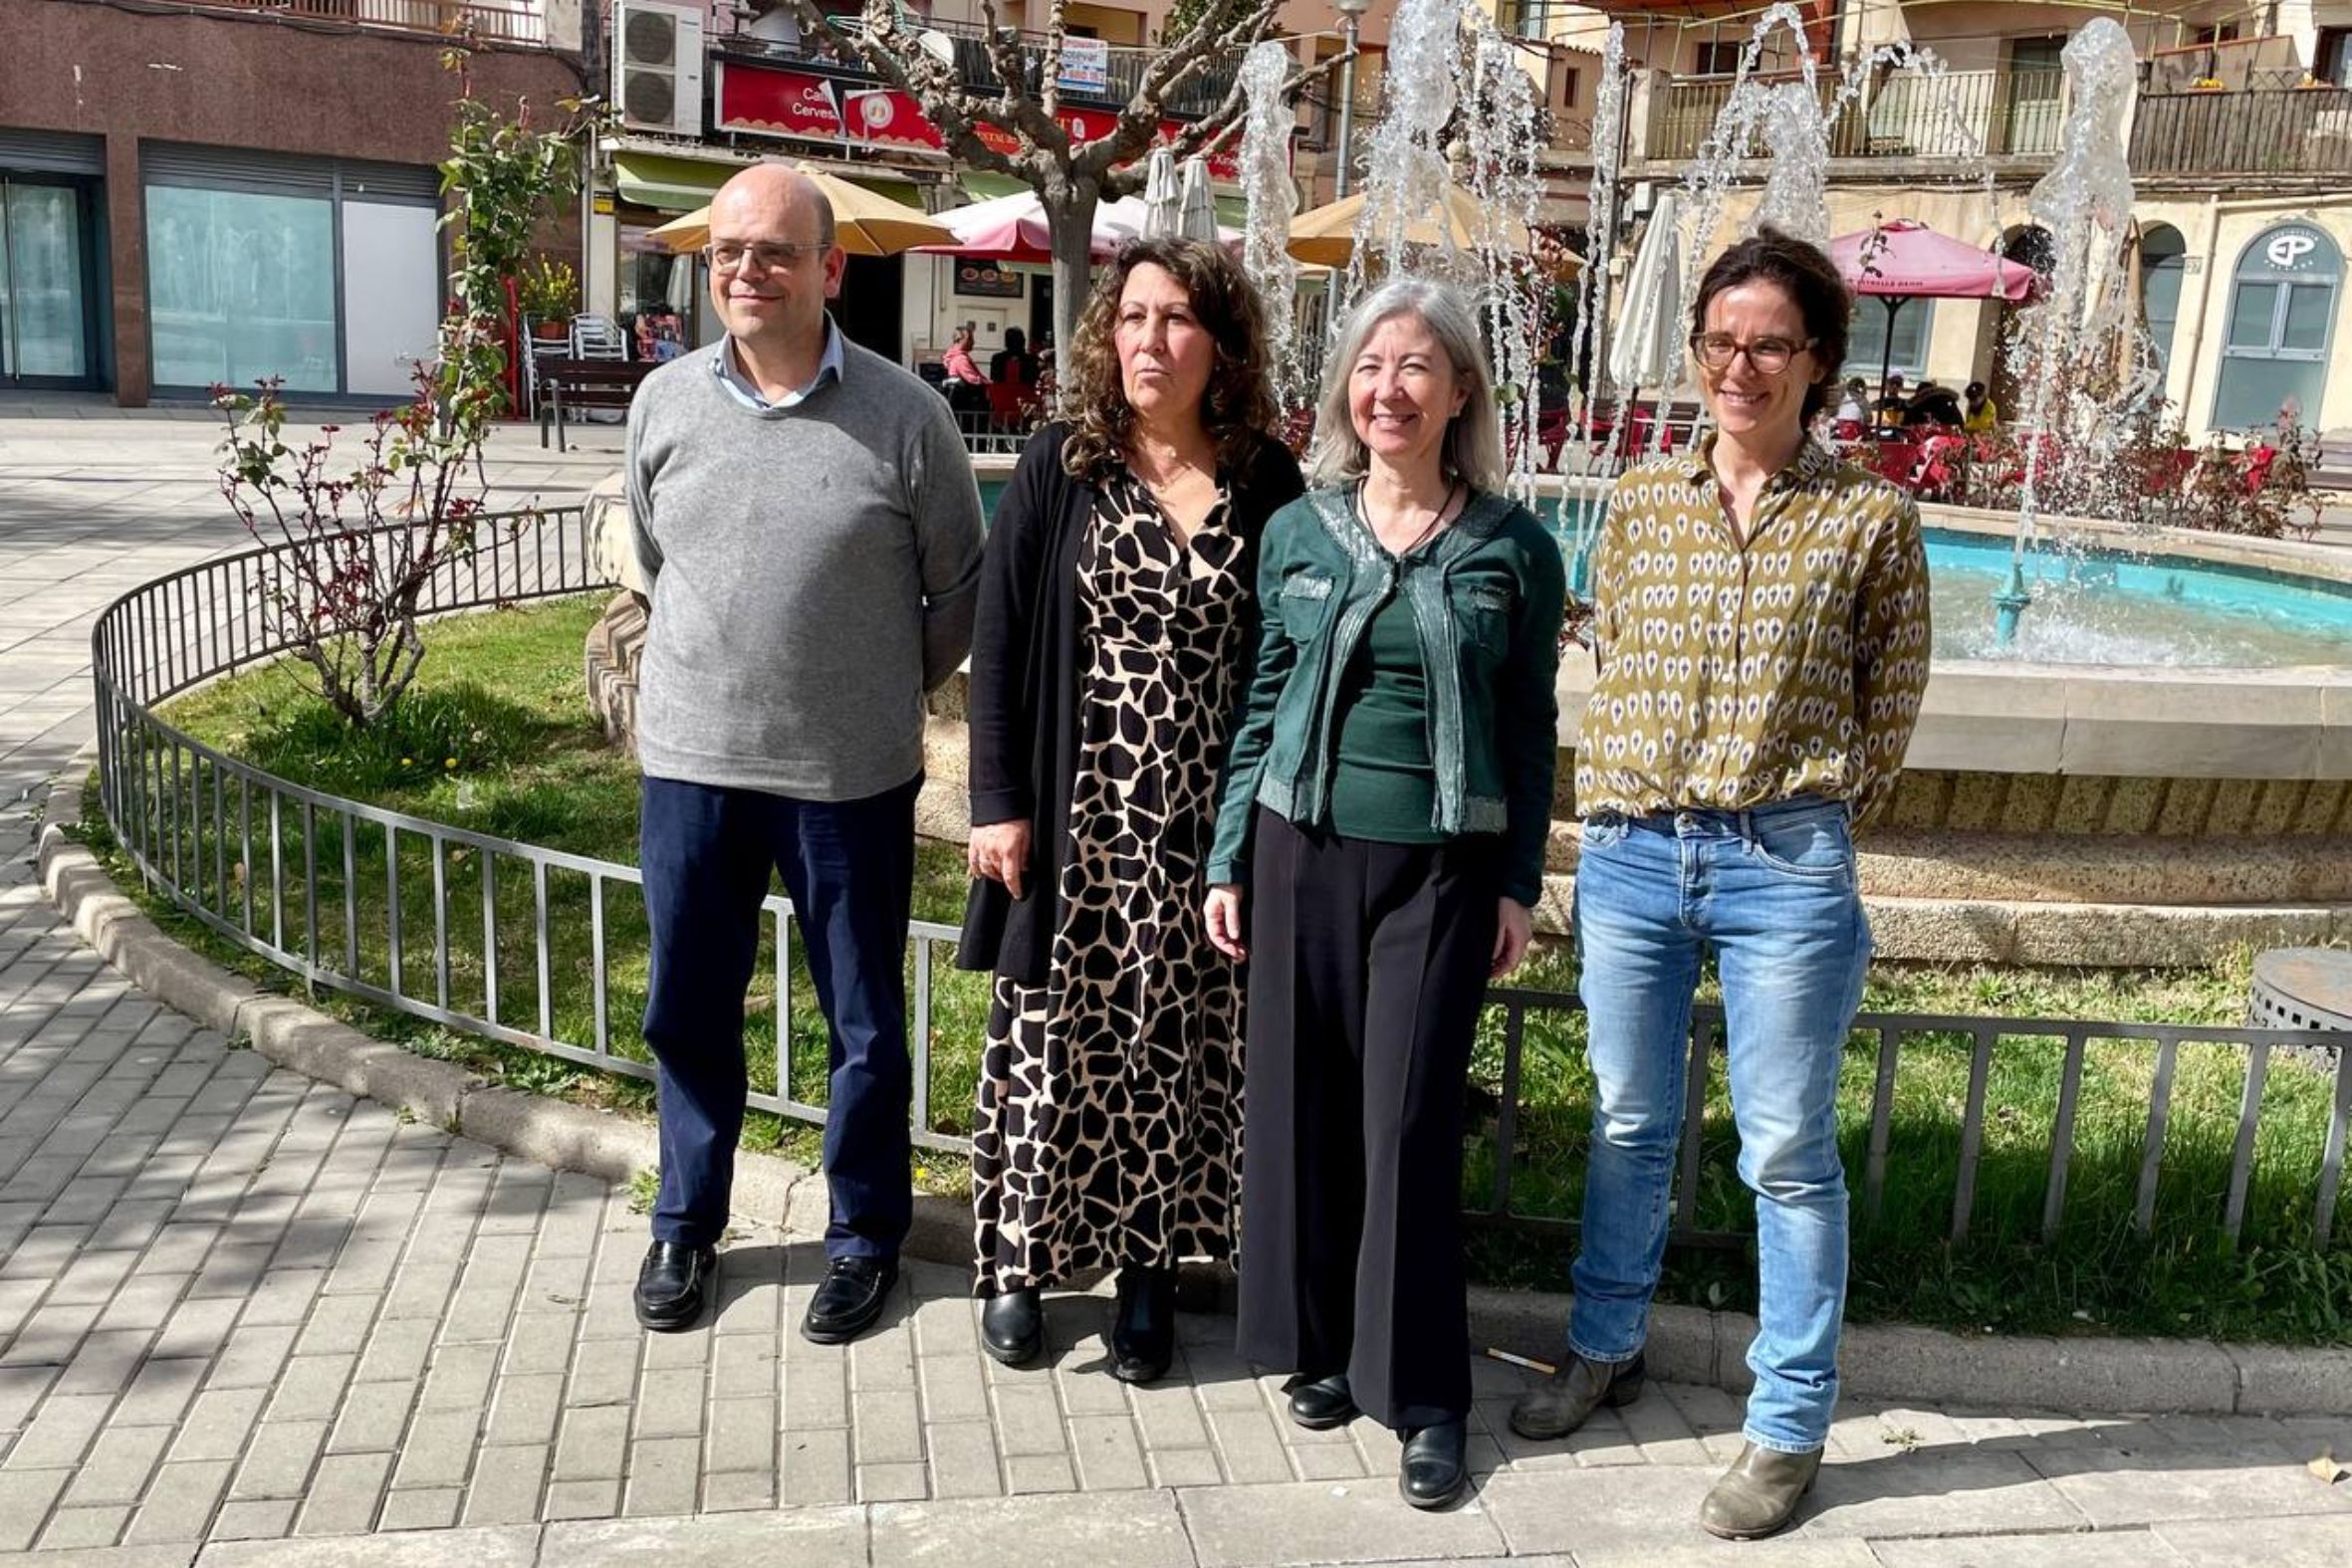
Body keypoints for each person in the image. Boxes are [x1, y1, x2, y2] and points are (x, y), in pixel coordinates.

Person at [1508, 227, 1930, 1540]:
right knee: (1630, 1115)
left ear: (1816, 362)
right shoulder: (1638, 503)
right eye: (1717, 343)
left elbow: (1891, 691)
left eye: (1767, 345)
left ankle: (1788, 1421)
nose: (1737, 367)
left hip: (1783, 864)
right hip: (1636, 852)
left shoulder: (1869, 515)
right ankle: (1604, 1339)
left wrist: (1808, 803)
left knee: (1785, 1150)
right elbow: (1614, 650)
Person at [1206, 278, 1566, 1510]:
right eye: (1371, 366)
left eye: (1417, 367)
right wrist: (1226, 859)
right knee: (1301, 1108)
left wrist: (1520, 878)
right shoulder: (1300, 531)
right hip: (1298, 843)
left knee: (1407, 1124)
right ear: (1346, 389)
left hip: (1443, 866)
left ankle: (1420, 1395)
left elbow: (1530, 730)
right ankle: (1317, 1345)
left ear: (1460, 390)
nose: (1389, 388)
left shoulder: (1515, 546)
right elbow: (1258, 705)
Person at [625, 164, 986, 1344]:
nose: (745, 270)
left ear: (831, 269)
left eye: (774, 251)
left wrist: (871, 689)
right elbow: (651, 552)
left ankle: (864, 1238)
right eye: (728, 250)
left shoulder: (906, 416)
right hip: (690, 764)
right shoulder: (663, 403)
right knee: (688, 1005)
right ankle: (686, 1221)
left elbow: (959, 589)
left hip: (849, 779)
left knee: (865, 1024)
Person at [959, 238, 1303, 1382]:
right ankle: (1018, 1262)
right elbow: (1000, 637)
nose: (1150, 340)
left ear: (1222, 343)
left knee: (1172, 1047)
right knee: (1056, 1039)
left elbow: (1287, 653)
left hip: (1202, 823)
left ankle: (1148, 1275)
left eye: (1177, 321)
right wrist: (997, 801)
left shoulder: (1266, 478)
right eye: (1134, 317)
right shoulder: (1068, 462)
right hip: (1076, 816)